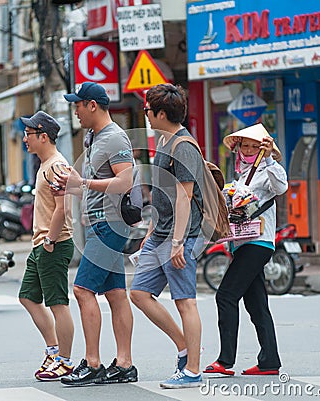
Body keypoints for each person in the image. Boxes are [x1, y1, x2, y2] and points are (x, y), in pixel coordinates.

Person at [58, 82, 138, 386]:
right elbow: (94, 181)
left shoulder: (114, 138)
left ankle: (92, 363)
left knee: (82, 290)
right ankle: (124, 364)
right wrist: (74, 184)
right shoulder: (93, 137)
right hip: (98, 223)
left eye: (78, 104)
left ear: (92, 105)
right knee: (116, 294)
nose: (75, 110)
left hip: (109, 223)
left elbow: (125, 181)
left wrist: (87, 185)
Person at [129, 83, 205, 389]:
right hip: (159, 233)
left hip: (180, 237)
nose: (145, 113)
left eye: (148, 109)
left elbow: (184, 198)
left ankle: (193, 370)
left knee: (185, 302)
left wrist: (177, 242)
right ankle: (185, 348)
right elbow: (162, 193)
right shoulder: (164, 141)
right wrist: (150, 231)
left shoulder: (183, 145)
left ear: (161, 113)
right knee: (139, 293)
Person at [204, 123, 287, 376]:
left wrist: (271, 157)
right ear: (238, 148)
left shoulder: (268, 170)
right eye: (245, 145)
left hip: (258, 243)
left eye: (254, 146)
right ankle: (269, 361)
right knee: (257, 304)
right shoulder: (241, 175)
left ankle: (225, 360)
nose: (249, 149)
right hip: (242, 243)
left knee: (225, 296)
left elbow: (281, 187)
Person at [18, 111, 75, 381]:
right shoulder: (44, 163)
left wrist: (50, 241)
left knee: (57, 304)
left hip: (54, 242)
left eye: (29, 135)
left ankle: (64, 360)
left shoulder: (56, 165)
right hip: (41, 243)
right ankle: (53, 350)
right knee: (27, 296)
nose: (24, 139)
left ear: (44, 136)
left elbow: (63, 208)